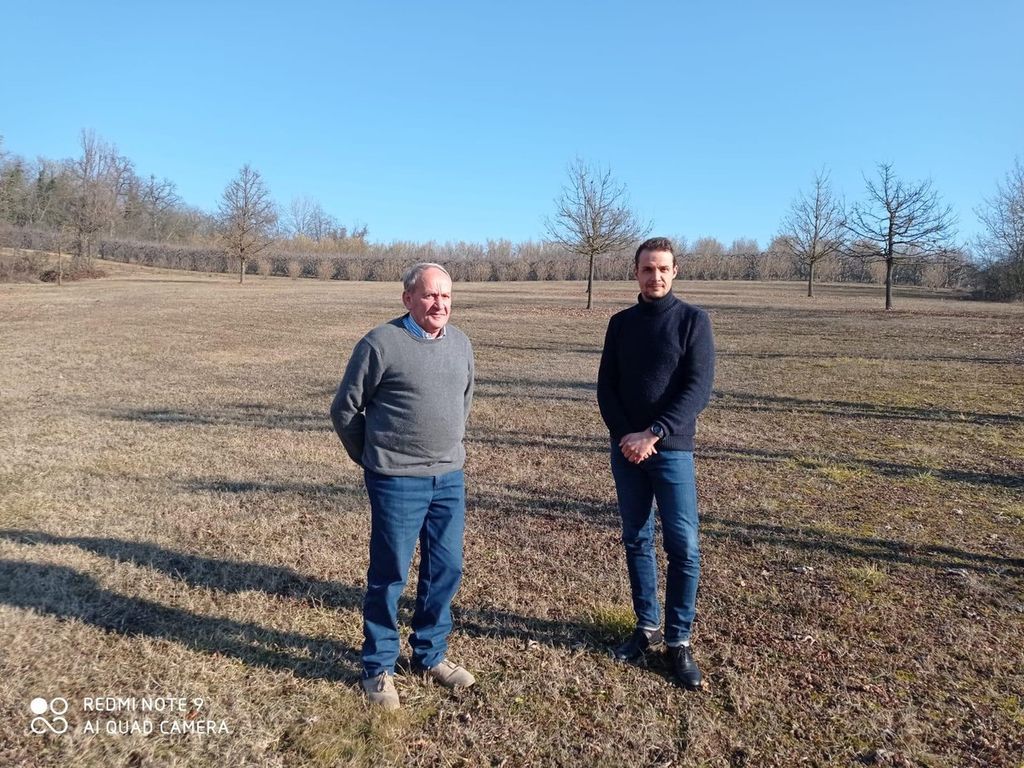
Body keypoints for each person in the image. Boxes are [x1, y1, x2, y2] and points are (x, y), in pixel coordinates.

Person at [330, 262, 475, 710]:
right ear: (408, 298)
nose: (439, 304)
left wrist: (447, 448)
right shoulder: (380, 344)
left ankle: (430, 654)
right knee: (390, 574)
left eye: (446, 296)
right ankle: (378, 666)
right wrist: (375, 458)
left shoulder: (461, 343)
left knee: (445, 568)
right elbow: (345, 410)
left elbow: (464, 401)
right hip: (396, 480)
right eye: (430, 295)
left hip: (448, 477)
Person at [597, 237, 715, 690]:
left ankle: (678, 640)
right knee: (636, 538)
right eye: (648, 269)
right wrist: (627, 436)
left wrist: (654, 433)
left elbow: (697, 388)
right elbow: (607, 387)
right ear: (636, 272)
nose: (656, 276)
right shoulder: (621, 324)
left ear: (675, 271)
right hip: (626, 450)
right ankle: (646, 628)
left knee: (683, 545)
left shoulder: (693, 321)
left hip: (672, 450)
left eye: (663, 269)